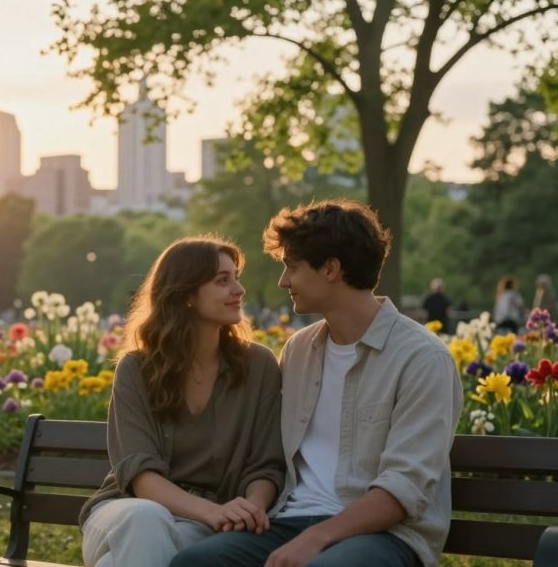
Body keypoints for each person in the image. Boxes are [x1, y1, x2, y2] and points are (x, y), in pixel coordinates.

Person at [172, 200, 463, 567]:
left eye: (292, 267)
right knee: (196, 563)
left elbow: (404, 488)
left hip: (384, 536)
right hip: (288, 521)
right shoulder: (299, 350)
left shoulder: (422, 359)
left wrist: (316, 538)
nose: (283, 281)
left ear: (330, 269)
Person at [79, 235, 286, 567]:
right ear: (186, 293)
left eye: (236, 277)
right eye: (223, 280)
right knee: (146, 519)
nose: (239, 290)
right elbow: (140, 476)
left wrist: (253, 507)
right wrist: (214, 512)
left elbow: (266, 463)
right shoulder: (136, 368)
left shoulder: (258, 366)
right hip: (123, 514)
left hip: (202, 526)